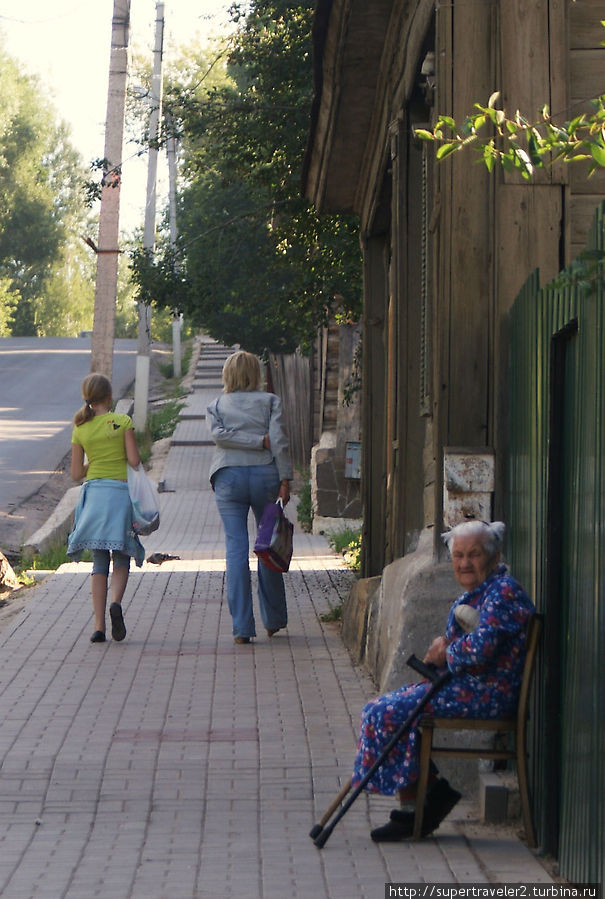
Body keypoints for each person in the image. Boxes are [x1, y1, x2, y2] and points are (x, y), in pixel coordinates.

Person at [352, 519, 535, 841]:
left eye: (474, 555)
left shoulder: (503, 592)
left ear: (492, 556)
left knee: (388, 713)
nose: (465, 563)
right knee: (382, 706)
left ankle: (419, 807)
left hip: (486, 694)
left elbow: (482, 648)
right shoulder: (484, 591)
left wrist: (445, 650)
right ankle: (427, 796)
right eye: (458, 556)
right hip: (465, 687)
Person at [207, 350, 293, 644]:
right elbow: (278, 441)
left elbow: (219, 436)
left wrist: (247, 441)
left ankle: (242, 628)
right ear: (257, 374)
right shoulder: (270, 402)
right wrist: (285, 478)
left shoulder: (216, 405)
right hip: (266, 478)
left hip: (228, 478)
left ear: (227, 375)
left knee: (236, 546)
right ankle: (273, 620)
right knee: (266, 545)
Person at [67, 373, 145, 644]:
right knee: (121, 556)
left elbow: (76, 474)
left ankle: (98, 626)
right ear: (110, 397)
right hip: (120, 495)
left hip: (95, 496)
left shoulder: (80, 429)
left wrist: (94, 461)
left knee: (99, 561)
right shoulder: (122, 421)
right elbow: (134, 460)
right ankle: (116, 603)